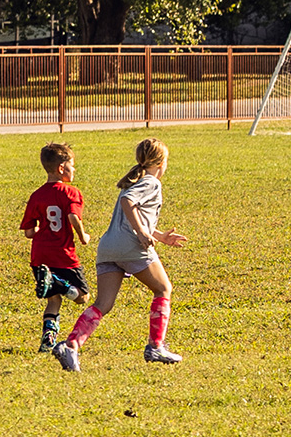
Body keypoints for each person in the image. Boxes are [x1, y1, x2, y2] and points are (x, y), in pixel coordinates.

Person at [52, 138, 187, 372]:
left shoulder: (133, 181)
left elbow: (132, 211)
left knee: (103, 304)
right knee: (163, 289)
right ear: (161, 162)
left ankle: (71, 346)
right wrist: (143, 232)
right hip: (130, 246)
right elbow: (128, 202)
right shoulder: (151, 182)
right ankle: (156, 346)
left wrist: (160, 236)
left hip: (108, 247)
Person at [20, 143, 91, 353]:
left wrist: (42, 227)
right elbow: (72, 216)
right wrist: (83, 236)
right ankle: (60, 283)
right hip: (63, 255)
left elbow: (29, 232)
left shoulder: (37, 195)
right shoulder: (71, 192)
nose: (74, 170)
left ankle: (48, 339)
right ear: (61, 168)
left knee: (53, 301)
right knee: (82, 296)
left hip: (40, 254)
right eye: (72, 165)